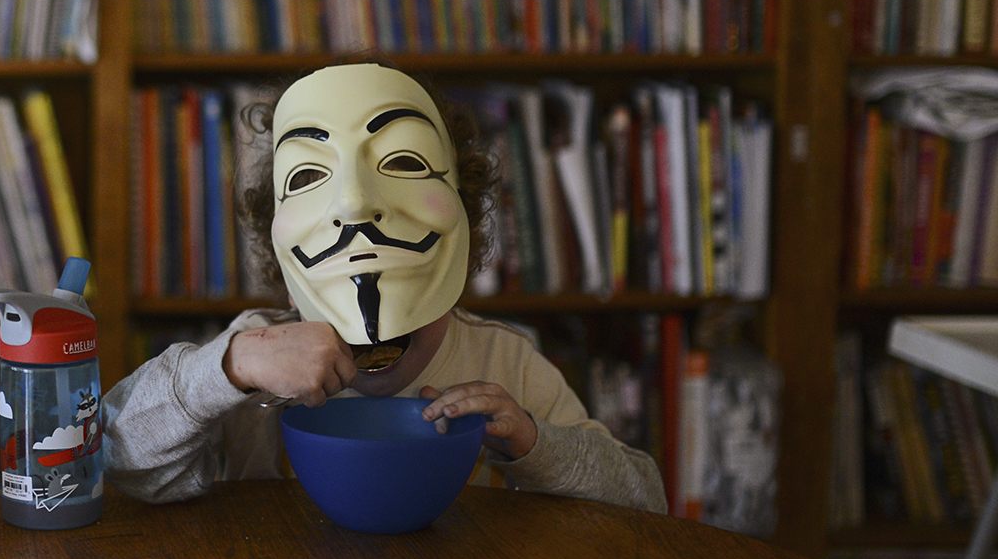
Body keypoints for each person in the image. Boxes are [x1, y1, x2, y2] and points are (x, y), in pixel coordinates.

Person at [105, 63, 665, 514]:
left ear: (465, 226)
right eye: (306, 177)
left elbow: (643, 498)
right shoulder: (255, 353)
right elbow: (115, 454)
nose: (354, 206)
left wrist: (535, 445)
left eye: (402, 162)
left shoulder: (504, 362)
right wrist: (228, 369)